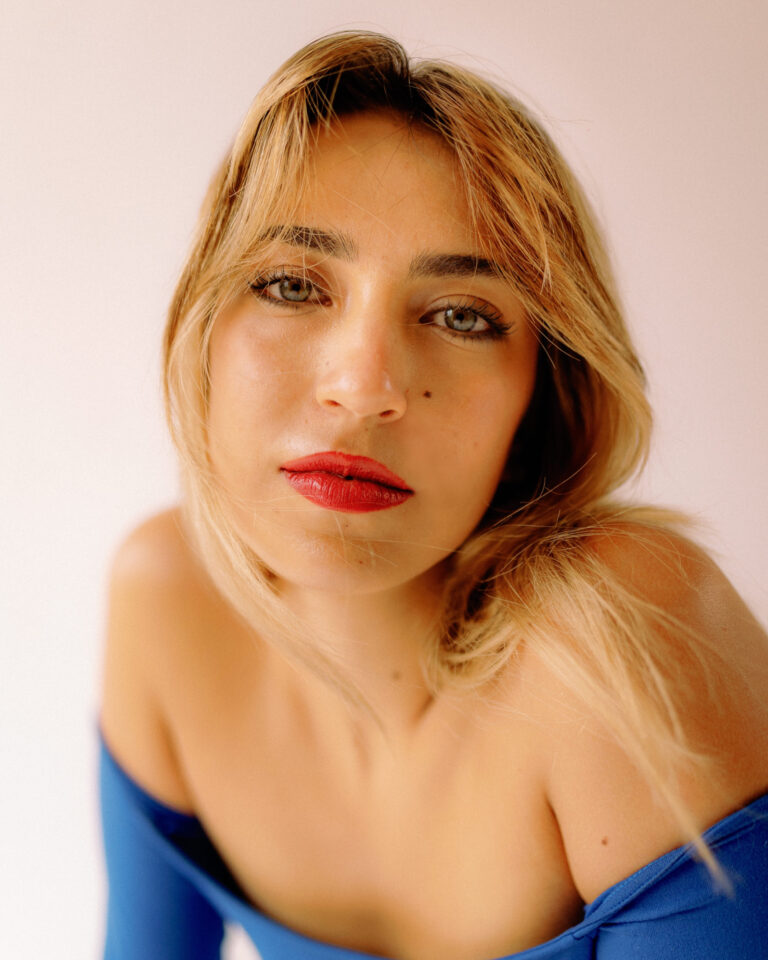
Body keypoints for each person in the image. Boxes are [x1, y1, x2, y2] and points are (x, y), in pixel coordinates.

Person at [99, 30, 768, 960]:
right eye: (291, 285)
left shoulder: (621, 638)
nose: (363, 385)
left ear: (541, 394)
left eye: (461, 315)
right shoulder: (167, 596)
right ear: (203, 327)